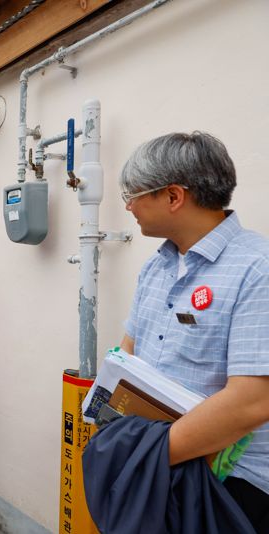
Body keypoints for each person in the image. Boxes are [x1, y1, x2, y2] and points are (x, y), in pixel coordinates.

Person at [118, 132, 269, 532]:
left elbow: (253, 401)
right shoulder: (157, 267)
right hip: (160, 468)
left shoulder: (257, 268)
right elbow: (128, 354)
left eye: (133, 194)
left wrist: (141, 455)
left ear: (173, 196)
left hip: (226, 486)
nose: (129, 206)